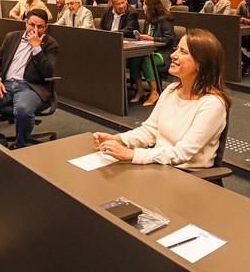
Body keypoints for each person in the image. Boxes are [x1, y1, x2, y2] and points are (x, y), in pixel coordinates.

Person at [94, 29, 229, 170]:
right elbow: (150, 131)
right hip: (160, 166)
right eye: (177, 49)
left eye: (183, 52)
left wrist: (131, 154)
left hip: (187, 177)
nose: (172, 55)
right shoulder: (171, 90)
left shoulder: (213, 104)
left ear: (201, 64)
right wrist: (118, 139)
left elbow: (181, 153)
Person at [0, 10, 59, 149]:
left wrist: (36, 48)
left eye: (40, 27)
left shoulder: (50, 44)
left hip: (31, 87)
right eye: (32, 25)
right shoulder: (12, 37)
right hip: (6, 84)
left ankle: (20, 146)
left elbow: (47, 72)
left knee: (23, 109)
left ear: (46, 27)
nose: (35, 30)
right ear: (25, 23)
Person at [129, 0, 176, 106]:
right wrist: (141, 37)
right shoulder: (148, 20)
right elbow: (147, 36)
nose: (143, 7)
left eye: (145, 5)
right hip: (147, 50)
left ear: (152, 7)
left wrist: (152, 39)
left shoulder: (165, 19)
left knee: (146, 59)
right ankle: (140, 90)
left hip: (162, 53)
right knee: (134, 59)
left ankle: (154, 92)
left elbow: (169, 39)